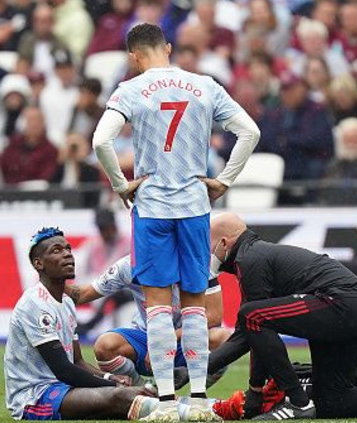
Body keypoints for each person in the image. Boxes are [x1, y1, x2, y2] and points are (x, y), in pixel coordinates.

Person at [92, 22, 260, 421]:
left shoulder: (131, 89)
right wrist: (224, 180)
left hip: (152, 209)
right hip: (194, 207)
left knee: (158, 307)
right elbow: (249, 131)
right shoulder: (204, 85)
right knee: (195, 305)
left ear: (134, 56)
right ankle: (199, 400)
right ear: (167, 47)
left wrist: (120, 184)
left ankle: (166, 403)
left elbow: (100, 141)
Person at [207, 213, 357, 420]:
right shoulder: (256, 254)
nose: (203, 255)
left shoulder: (250, 259)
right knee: (332, 403)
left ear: (225, 243)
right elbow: (251, 333)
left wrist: (253, 389)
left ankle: (298, 402)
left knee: (250, 315)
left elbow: (249, 328)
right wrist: (248, 388)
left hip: (342, 306)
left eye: (206, 246)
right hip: (356, 310)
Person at [4, 227, 160, 420]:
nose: (67, 254)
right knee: (121, 397)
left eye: (68, 249)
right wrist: (114, 386)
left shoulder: (67, 302)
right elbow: (64, 370)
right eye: (56, 250)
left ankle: (179, 407)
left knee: (126, 398)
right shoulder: (35, 304)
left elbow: (77, 362)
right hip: (35, 396)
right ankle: (180, 409)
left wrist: (109, 377)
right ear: (39, 263)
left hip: (64, 388)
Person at [64, 254, 230, 388]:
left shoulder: (198, 261)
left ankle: (195, 398)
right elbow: (82, 295)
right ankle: (143, 393)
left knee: (223, 339)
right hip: (146, 341)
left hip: (186, 340)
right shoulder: (129, 266)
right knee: (105, 345)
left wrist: (166, 339)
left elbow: (214, 316)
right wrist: (53, 279)